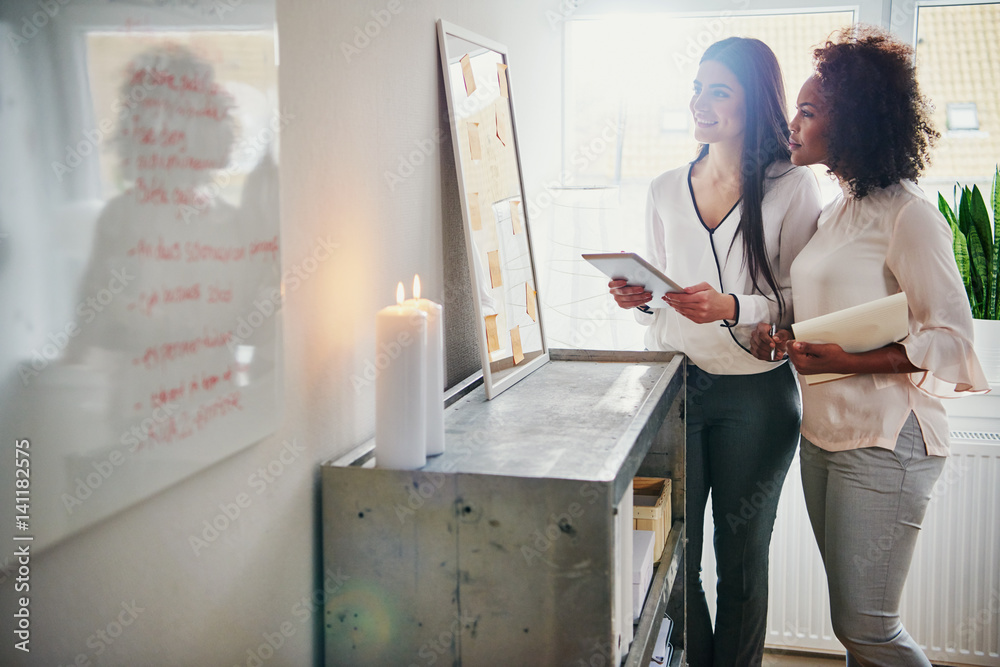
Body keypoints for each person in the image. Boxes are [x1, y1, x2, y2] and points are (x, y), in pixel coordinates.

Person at [751, 25, 990, 666]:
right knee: (851, 625)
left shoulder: (908, 215)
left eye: (808, 111)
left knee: (869, 629)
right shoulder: (836, 210)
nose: (791, 126)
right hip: (823, 432)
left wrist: (850, 361)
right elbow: (826, 309)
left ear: (852, 120)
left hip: (888, 440)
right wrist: (787, 338)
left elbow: (951, 337)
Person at [609, 37, 821, 665]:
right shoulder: (665, 188)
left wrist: (733, 306)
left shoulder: (792, 187)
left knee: (742, 563)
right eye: (696, 88)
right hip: (673, 389)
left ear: (754, 103)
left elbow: (803, 303)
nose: (700, 102)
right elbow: (665, 295)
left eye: (718, 91)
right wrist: (640, 297)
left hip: (754, 394)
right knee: (674, 560)